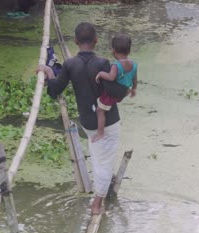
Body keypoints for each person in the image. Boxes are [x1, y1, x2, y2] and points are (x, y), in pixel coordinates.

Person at [37, 22, 123, 215]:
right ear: (96, 40)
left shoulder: (69, 64)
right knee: (105, 162)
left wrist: (49, 71)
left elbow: (54, 90)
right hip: (109, 120)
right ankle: (97, 204)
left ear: (76, 41)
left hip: (89, 122)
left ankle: (99, 195)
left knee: (99, 158)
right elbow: (114, 90)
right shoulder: (102, 63)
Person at [93, 33, 138, 143]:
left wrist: (101, 73)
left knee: (100, 110)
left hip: (115, 93)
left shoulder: (116, 65)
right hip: (125, 91)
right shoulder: (134, 64)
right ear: (129, 51)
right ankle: (111, 104)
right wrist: (133, 89)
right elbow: (135, 79)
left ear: (113, 50)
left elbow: (111, 77)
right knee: (108, 104)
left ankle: (100, 132)